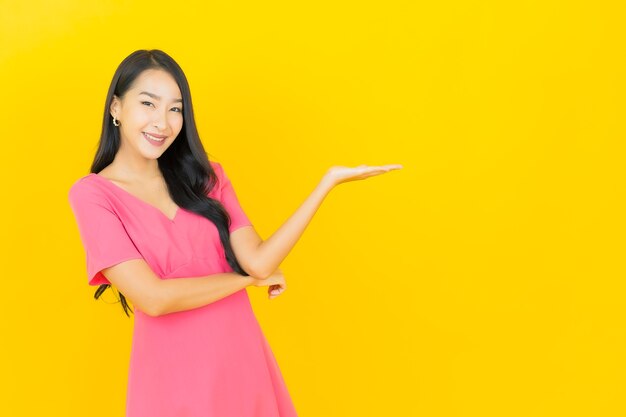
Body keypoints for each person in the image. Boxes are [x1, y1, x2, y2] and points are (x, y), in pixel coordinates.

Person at [67, 49, 402, 417]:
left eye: (175, 109)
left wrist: (326, 184)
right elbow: (154, 298)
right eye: (148, 103)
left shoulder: (208, 176)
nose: (162, 122)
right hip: (170, 376)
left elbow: (259, 261)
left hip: (240, 360)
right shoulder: (93, 194)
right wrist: (243, 280)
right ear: (116, 107)